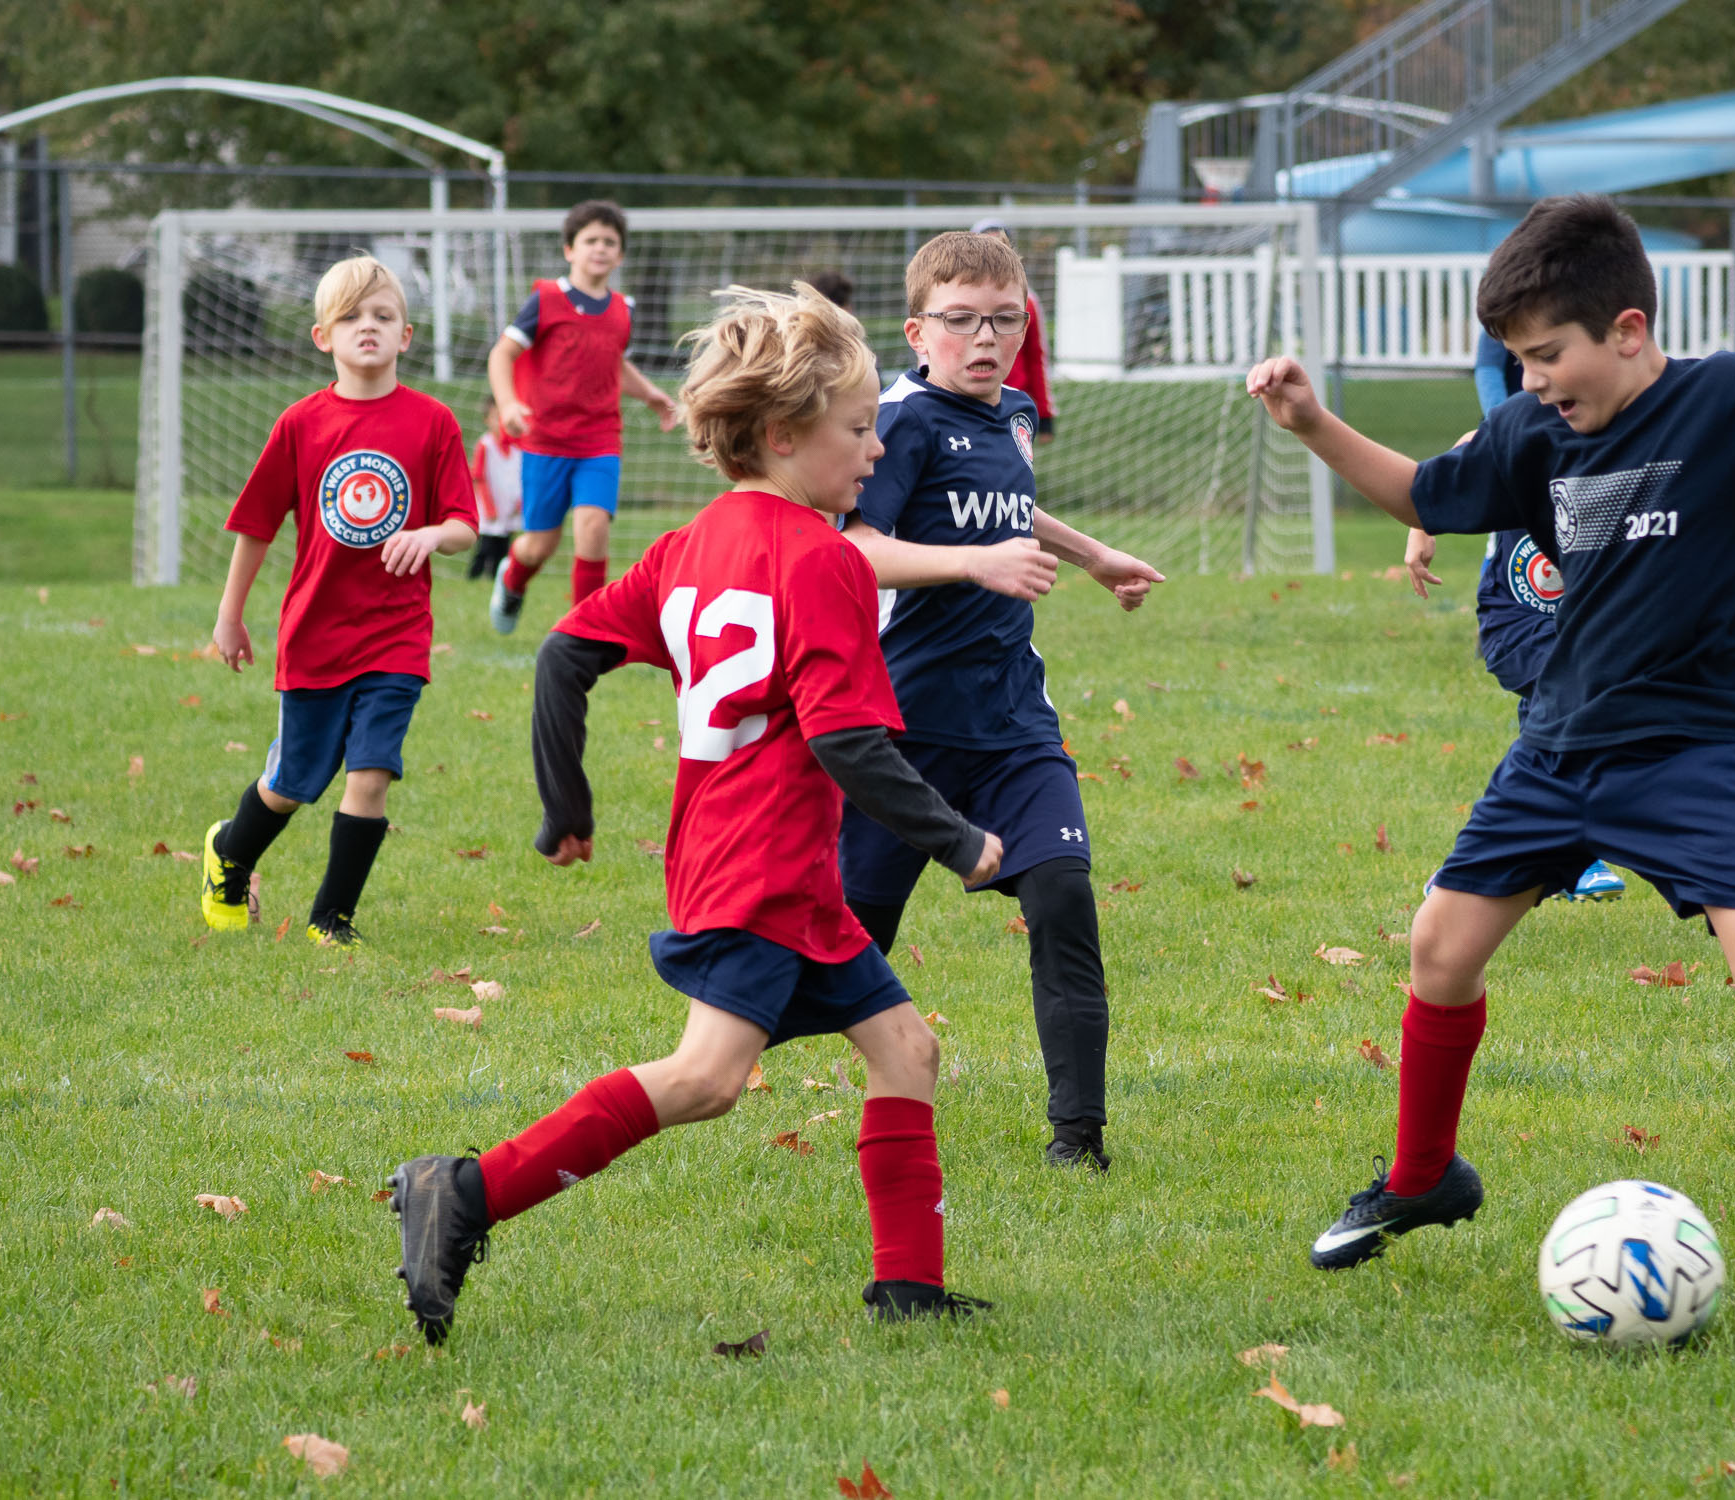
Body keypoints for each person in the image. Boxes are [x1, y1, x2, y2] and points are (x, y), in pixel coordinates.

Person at [1248, 194, 1735, 1313]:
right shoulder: (1533, 434)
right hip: (1559, 746)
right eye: (1515, 361)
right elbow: (1423, 494)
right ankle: (1421, 1177)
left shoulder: (1729, 399)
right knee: (1439, 947)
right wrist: (1309, 422)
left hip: (1694, 749)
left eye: (1547, 355)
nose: (1531, 381)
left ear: (1626, 332)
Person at [388, 284, 1002, 1346]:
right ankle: (464, 1189)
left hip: (775, 871)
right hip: (757, 871)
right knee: (705, 1080)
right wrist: (960, 842)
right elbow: (847, 743)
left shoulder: (692, 543)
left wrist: (564, 804)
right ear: (779, 434)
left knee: (904, 1047)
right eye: (856, 430)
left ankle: (907, 1289)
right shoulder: (825, 562)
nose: (873, 448)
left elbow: (563, 653)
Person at [836, 230, 1164, 1173]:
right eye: (962, 321)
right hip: (902, 737)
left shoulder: (1012, 410)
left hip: (1015, 726)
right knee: (846, 946)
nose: (986, 338)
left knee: (1061, 894)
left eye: (1005, 319)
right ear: (916, 330)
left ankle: (1080, 1140)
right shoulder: (896, 419)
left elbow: (1009, 507)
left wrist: (1092, 556)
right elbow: (855, 548)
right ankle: (708, 1066)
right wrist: (974, 564)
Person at [200, 256, 477, 947]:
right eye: (352, 316)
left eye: (383, 316)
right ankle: (229, 857)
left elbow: (465, 528)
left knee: (372, 774)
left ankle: (332, 919)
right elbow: (256, 525)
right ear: (323, 335)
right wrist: (229, 615)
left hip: (396, 636)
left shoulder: (433, 422)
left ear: (406, 336)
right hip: (315, 636)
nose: (368, 328)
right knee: (293, 783)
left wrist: (431, 534)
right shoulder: (301, 424)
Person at [1403, 329, 1626, 903]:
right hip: (1516, 622)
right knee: (1573, 713)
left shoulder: (1612, 437)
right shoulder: (1506, 433)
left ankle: (1509, 866)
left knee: (1559, 728)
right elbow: (1441, 471)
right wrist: (1419, 533)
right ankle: (1569, 857)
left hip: (1580, 624)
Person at [485, 199, 677, 631]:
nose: (601, 248)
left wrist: (651, 396)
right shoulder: (545, 299)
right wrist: (509, 403)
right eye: (591, 239)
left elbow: (614, 361)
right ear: (570, 250)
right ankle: (513, 577)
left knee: (593, 527)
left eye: (610, 241)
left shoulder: (621, 310)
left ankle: (584, 632)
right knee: (540, 545)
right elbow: (503, 353)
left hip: (600, 440)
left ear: (620, 255)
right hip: (546, 440)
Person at [970, 219, 1056, 442]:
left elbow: (1036, 358)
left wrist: (1044, 414)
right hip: (968, 401)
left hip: (1013, 406)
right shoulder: (955, 301)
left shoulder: (1028, 302)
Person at [466, 394, 523, 580]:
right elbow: (479, 477)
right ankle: (474, 576)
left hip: (509, 506)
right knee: (486, 545)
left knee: (504, 546)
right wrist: (489, 507)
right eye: (495, 417)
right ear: (486, 420)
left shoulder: (518, 446)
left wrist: (520, 503)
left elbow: (523, 478)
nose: (500, 422)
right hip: (491, 505)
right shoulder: (485, 445)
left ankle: (496, 578)